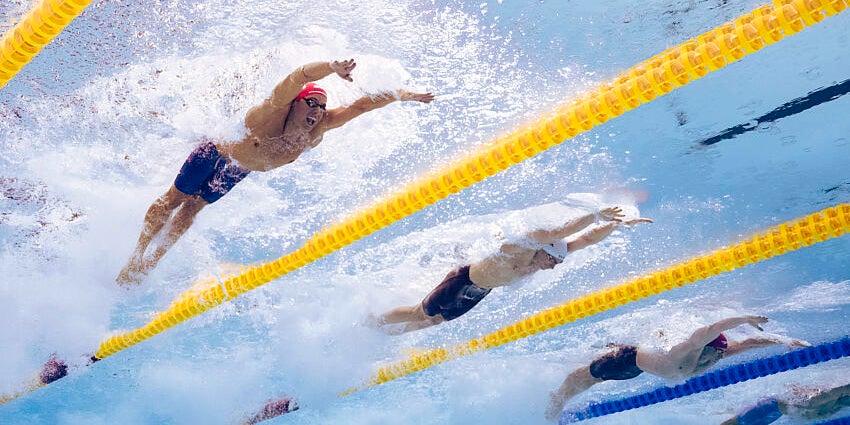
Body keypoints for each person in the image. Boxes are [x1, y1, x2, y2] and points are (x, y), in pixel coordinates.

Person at [117, 59, 435, 285]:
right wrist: (332, 68)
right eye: (312, 102)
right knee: (175, 199)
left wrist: (403, 95)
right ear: (295, 104)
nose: (317, 111)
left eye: (322, 107)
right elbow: (297, 76)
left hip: (240, 169)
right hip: (215, 153)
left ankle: (152, 262)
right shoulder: (269, 113)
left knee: (192, 209)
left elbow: (362, 105)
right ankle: (135, 257)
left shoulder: (320, 127)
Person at [369, 206, 652, 334]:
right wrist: (593, 215)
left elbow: (586, 239)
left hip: (480, 290)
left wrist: (615, 224)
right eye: (553, 261)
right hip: (464, 279)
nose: (552, 267)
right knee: (422, 312)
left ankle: (387, 335)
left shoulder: (553, 252)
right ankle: (373, 323)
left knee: (436, 321)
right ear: (545, 251)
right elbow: (561, 230)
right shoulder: (524, 246)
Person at [545, 315, 811, 421]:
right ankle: (553, 401)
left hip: (639, 368)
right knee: (582, 380)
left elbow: (752, 342)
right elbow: (710, 329)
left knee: (592, 380)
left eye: (720, 355)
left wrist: (784, 340)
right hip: (627, 360)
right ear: (704, 348)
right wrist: (744, 318)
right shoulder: (688, 350)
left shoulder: (717, 353)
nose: (717, 360)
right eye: (714, 354)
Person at [721, 383, 850, 425]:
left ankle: (845, 388)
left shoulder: (743, 419)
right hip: (782, 408)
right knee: (822, 413)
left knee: (812, 403)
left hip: (778, 403)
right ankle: (844, 396)